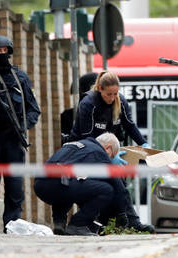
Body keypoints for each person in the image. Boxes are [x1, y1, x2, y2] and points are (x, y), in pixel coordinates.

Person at [69, 71, 154, 233]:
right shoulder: (88, 104)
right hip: (85, 150)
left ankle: (126, 221)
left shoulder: (120, 101)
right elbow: (87, 138)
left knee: (117, 182)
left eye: (115, 93)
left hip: (107, 150)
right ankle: (124, 221)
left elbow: (130, 126)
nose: (112, 97)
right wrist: (107, 158)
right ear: (100, 89)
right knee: (107, 184)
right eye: (109, 94)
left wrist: (144, 144)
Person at [0, 35, 41, 232]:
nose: (2, 54)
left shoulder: (19, 77)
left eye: (5, 51)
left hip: (14, 139)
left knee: (15, 188)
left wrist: (23, 125)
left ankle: (11, 227)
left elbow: (33, 109)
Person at [34, 132, 130, 236]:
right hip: (58, 183)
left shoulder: (76, 145)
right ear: (108, 148)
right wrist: (122, 212)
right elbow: (116, 182)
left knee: (68, 183)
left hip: (40, 184)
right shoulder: (98, 151)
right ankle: (78, 225)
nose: (109, 160)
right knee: (106, 190)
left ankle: (59, 224)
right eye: (112, 156)